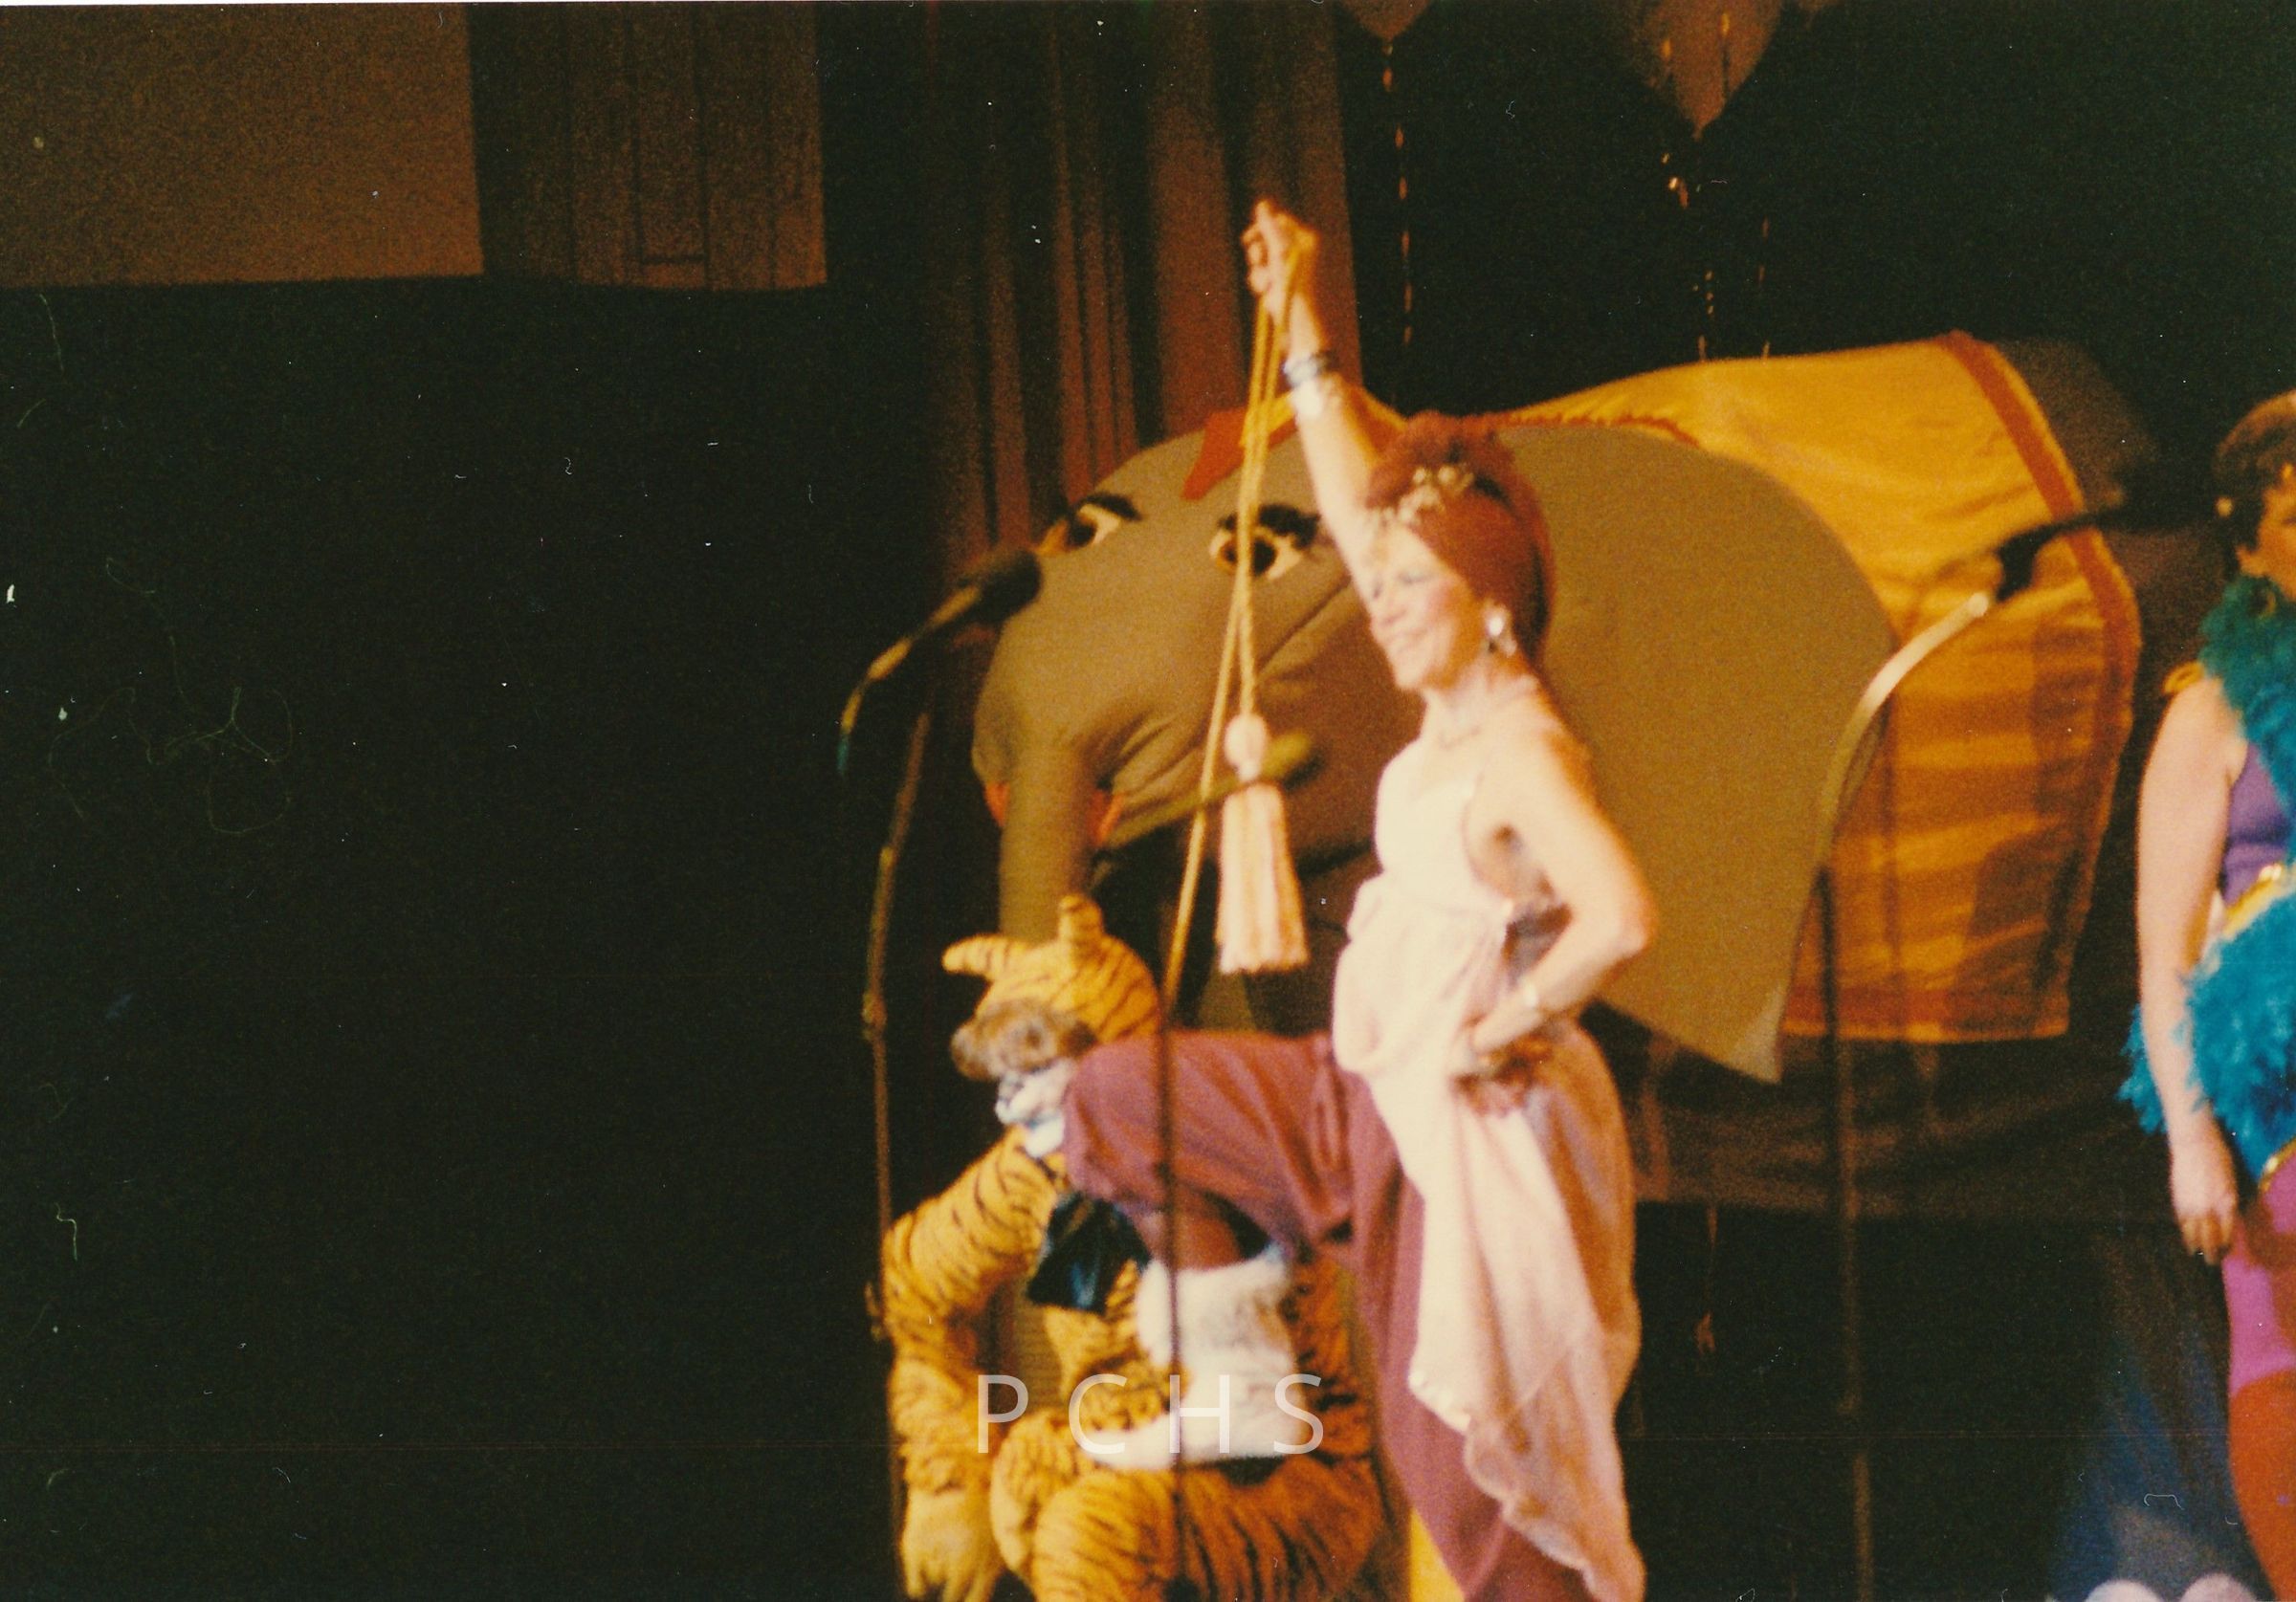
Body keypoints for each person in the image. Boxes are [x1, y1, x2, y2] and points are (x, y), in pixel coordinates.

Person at [1060, 201, 1654, 1602]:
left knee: (1474, 1492)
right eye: (1377, 581)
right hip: (1357, 1096)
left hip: (1459, 1145)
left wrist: (1507, 1022)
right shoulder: (1451, 710)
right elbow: (1354, 509)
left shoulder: (1521, 747)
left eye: (1406, 585)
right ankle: (1235, 1374)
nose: (1377, 601)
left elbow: (1622, 914)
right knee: (1118, 1099)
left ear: (1489, 603)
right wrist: (1303, 324)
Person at [2126, 390, 2296, 1596]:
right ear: (2249, 542)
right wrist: (2191, 1136)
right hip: (2279, 1084)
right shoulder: (2212, 708)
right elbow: (2166, 946)